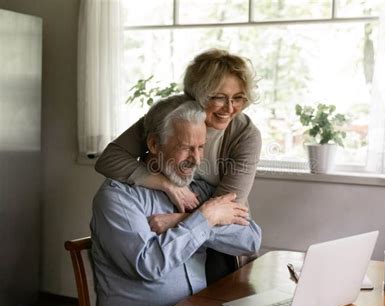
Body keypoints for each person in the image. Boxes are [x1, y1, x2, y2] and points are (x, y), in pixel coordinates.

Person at [95, 49, 262, 282]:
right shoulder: (172, 117)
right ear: (198, 95)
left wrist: (174, 221)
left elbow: (223, 208)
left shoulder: (245, 135)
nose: (229, 108)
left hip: (221, 242)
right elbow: (110, 159)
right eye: (219, 97)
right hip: (183, 231)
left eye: (238, 98)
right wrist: (166, 184)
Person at [90, 95, 262, 306]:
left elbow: (251, 239)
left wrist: (193, 219)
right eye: (186, 148)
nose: (197, 159)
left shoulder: (198, 190)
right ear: (154, 144)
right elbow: (148, 265)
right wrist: (206, 218)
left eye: (201, 147)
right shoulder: (117, 198)